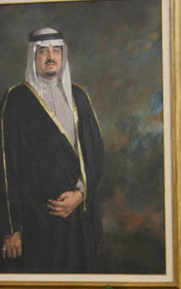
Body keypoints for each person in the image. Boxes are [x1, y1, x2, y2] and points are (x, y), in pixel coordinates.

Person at [0, 27, 104, 272]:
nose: (50, 56)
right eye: (43, 51)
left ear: (63, 55)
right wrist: (11, 228)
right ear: (33, 57)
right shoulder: (15, 99)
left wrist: (80, 194)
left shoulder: (79, 96)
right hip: (35, 217)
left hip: (77, 213)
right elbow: (5, 165)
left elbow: (95, 152)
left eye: (56, 50)